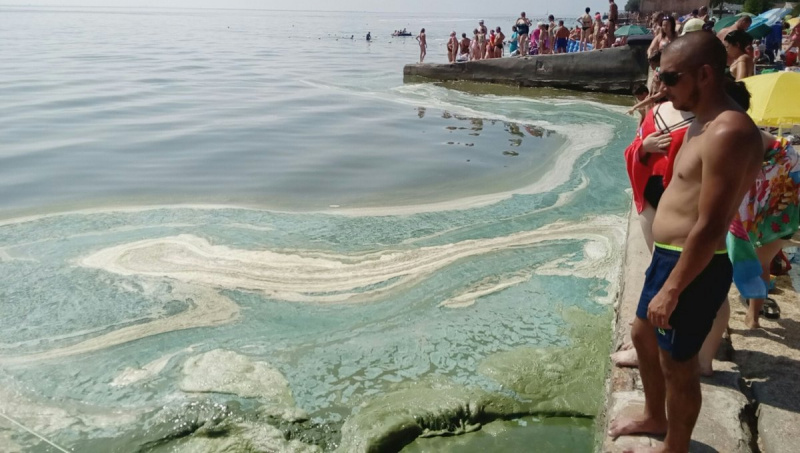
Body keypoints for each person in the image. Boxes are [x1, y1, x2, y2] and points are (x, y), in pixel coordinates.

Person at [608, 32, 764, 452]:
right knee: (642, 338)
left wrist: (673, 288)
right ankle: (655, 415)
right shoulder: (700, 118)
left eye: (670, 78)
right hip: (669, 256)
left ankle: (675, 446)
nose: (661, 87)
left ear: (706, 75)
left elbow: (712, 225)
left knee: (679, 366)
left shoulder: (727, 131)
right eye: (659, 76)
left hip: (693, 266)